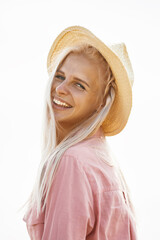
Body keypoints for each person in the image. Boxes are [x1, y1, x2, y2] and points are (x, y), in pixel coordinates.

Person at [23, 25, 138, 240]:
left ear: (102, 102)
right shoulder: (102, 160)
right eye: (59, 76)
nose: (60, 89)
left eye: (79, 85)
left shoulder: (72, 161)